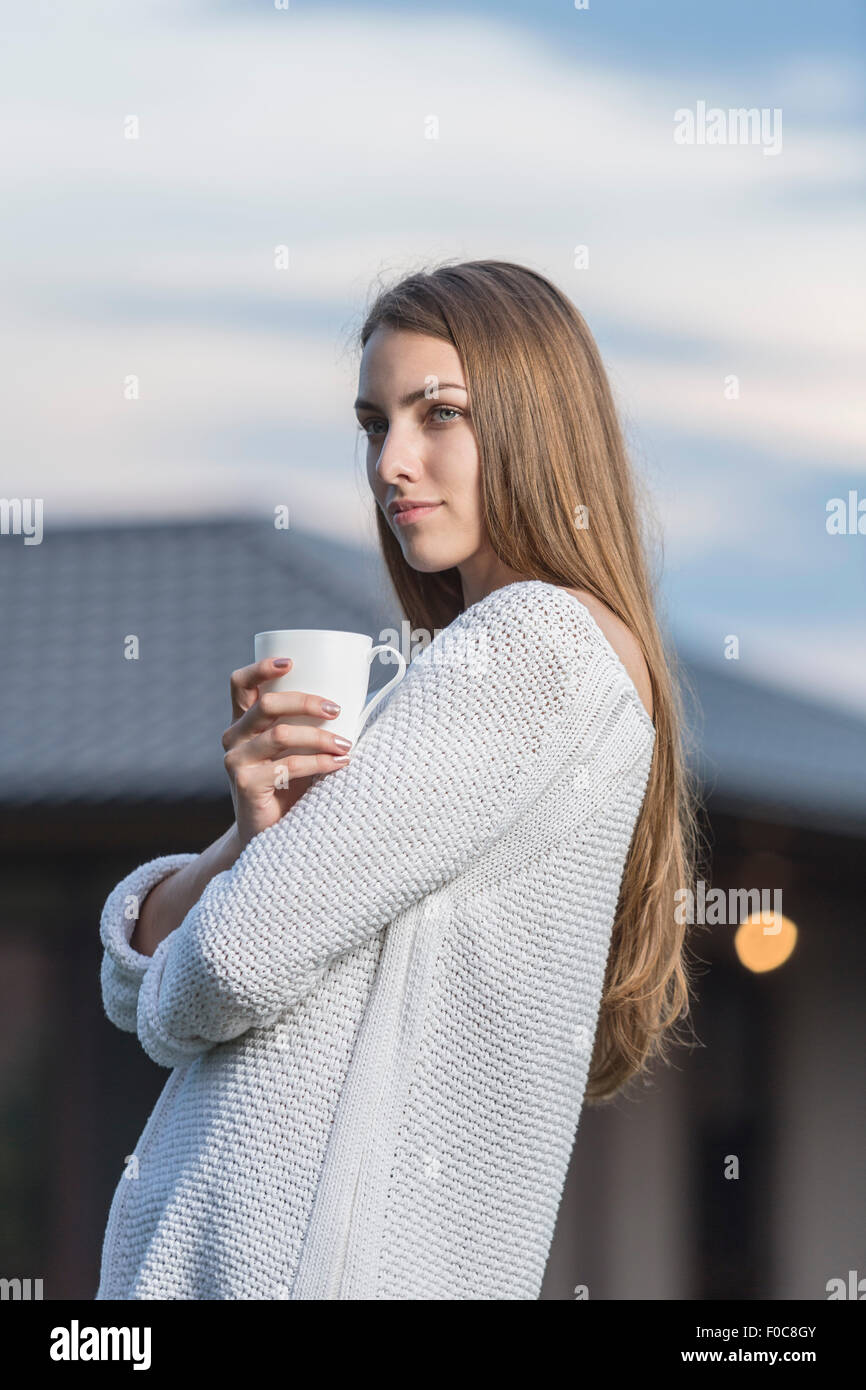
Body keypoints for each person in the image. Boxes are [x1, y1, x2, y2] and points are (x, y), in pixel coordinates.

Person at [95, 259, 698, 1300]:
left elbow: (221, 970)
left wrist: (194, 966)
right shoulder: (526, 658)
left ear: (535, 421)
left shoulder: (529, 641)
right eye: (376, 424)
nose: (393, 463)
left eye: (440, 415)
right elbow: (139, 973)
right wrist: (252, 838)